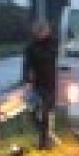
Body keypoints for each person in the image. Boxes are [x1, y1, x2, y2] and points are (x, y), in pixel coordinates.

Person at [21, 20, 59, 148]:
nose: (40, 33)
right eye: (38, 31)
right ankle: (46, 137)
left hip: (52, 84)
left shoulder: (55, 44)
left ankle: (44, 143)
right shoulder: (31, 47)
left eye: (42, 30)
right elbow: (26, 65)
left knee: (46, 113)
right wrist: (26, 81)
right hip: (38, 84)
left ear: (47, 30)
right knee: (32, 112)